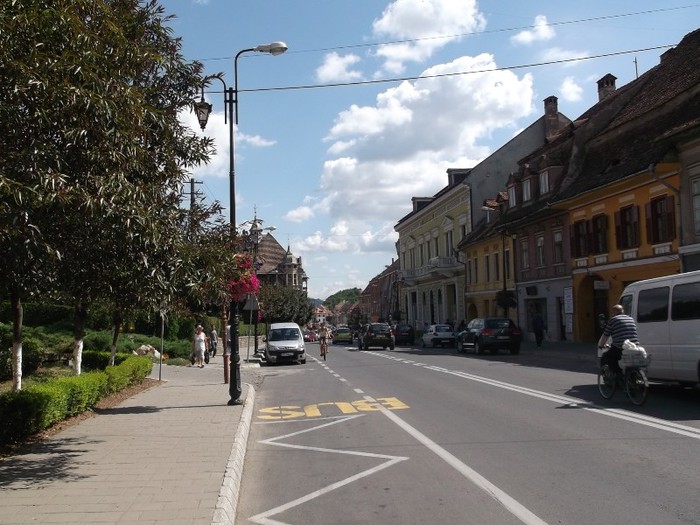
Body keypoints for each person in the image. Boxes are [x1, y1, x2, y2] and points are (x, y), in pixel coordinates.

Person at [598, 304, 638, 375]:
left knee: (607, 356)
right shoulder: (631, 319)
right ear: (623, 311)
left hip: (620, 347)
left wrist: (601, 346)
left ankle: (618, 374)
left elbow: (605, 336)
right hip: (634, 345)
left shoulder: (613, 320)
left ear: (614, 312)